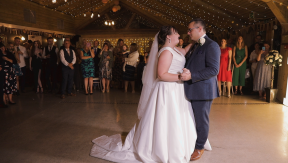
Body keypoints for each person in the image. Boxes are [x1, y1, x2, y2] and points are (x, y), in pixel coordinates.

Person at [90, 26, 211, 162]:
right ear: (168, 37)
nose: (179, 35)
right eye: (176, 33)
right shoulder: (165, 52)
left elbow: (185, 50)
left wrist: (196, 39)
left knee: (177, 118)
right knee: (167, 119)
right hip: (168, 90)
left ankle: (181, 145)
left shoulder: (175, 49)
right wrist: (181, 77)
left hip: (176, 90)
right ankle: (164, 149)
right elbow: (161, 74)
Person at [179, 18, 219, 161]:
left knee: (202, 120)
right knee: (193, 119)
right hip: (193, 89)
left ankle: (199, 147)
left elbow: (214, 70)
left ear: (200, 29)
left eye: (190, 30)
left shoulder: (211, 45)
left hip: (203, 90)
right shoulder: (195, 45)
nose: (188, 32)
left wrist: (192, 75)